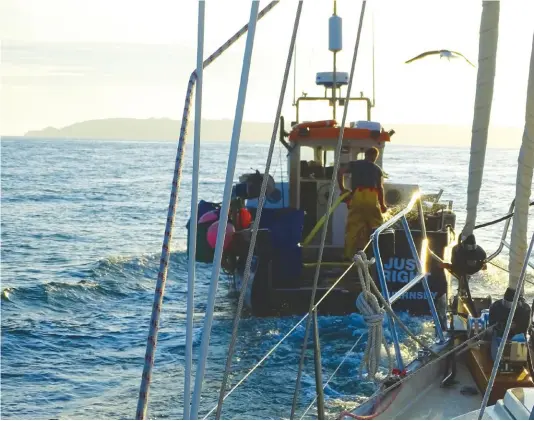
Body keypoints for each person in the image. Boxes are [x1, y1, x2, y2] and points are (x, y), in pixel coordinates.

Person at [337, 147, 387, 260]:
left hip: (358, 195)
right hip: (372, 196)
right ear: (375, 157)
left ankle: (348, 255)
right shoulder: (377, 169)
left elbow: (340, 172)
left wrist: (342, 188)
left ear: (365, 155)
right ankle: (375, 256)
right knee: (375, 226)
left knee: (353, 227)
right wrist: (383, 205)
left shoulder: (355, 164)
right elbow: (380, 188)